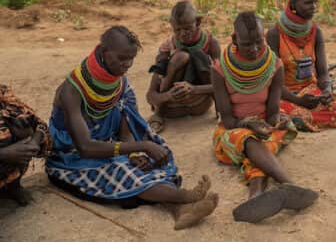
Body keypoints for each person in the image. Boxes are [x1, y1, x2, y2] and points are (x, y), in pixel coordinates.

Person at [46, 26, 218, 229]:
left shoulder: (119, 84)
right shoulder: (71, 91)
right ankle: (183, 196)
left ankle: (180, 211)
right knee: (120, 169)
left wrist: (134, 154)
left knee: (147, 159)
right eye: (121, 58)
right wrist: (138, 147)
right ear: (103, 52)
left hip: (107, 146)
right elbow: (85, 147)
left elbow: (125, 128)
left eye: (131, 59)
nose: (127, 64)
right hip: (71, 158)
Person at [211, 12, 318, 223]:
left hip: (266, 126)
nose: (254, 49)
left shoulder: (274, 66)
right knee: (248, 139)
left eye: (258, 42)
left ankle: (255, 196)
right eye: (246, 44)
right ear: (234, 40)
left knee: (260, 143)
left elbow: (271, 114)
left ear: (265, 37)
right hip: (233, 130)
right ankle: (289, 183)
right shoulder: (219, 69)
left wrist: (268, 122)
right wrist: (249, 124)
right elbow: (229, 119)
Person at [266, 0, 336, 131]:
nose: (314, 7)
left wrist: (326, 90)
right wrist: (298, 100)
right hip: (285, 94)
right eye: (307, 3)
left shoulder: (315, 32)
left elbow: (323, 73)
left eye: (315, 2)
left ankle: (312, 113)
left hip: (310, 91)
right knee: (287, 115)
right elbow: (273, 83)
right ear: (292, 3)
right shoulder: (274, 34)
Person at [146, 1, 220, 133]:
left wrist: (194, 89)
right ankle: (158, 114)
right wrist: (169, 95)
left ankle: (220, 112)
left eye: (187, 28)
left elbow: (221, 85)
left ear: (198, 22)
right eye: (177, 30)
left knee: (198, 56)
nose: (182, 34)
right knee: (181, 57)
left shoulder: (211, 43)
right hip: (171, 108)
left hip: (200, 103)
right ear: (171, 25)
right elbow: (151, 96)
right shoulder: (167, 47)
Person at [0, 84, 51, 205]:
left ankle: (13, 186)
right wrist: (4, 153)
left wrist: (33, 142)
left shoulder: (4, 96)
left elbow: (40, 124)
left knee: (22, 127)